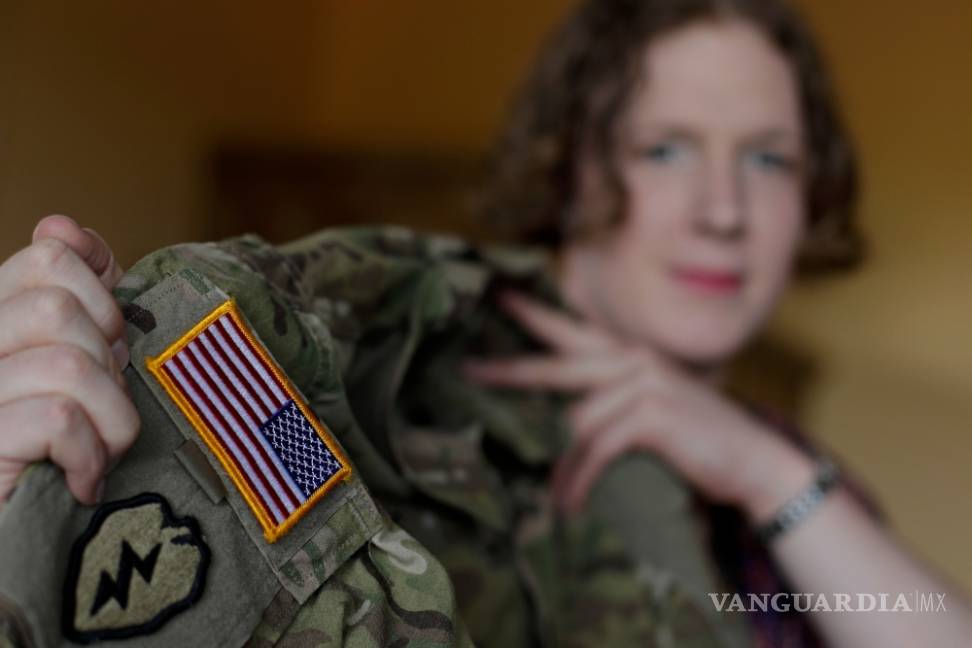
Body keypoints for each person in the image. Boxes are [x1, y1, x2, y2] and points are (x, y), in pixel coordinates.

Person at [1, 0, 970, 646]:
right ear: (573, 168)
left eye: (769, 159)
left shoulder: (792, 494)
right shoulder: (392, 362)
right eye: (666, 148)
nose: (724, 209)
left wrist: (769, 474)